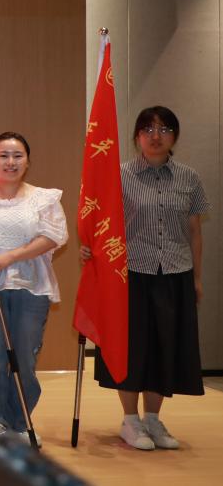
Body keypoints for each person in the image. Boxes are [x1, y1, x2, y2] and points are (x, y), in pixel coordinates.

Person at [90, 106, 210, 451]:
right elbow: (102, 222)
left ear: (175, 136)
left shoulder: (189, 177)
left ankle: (153, 419)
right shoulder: (119, 175)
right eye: (148, 129)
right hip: (131, 275)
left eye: (164, 129)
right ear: (137, 136)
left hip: (175, 272)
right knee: (132, 348)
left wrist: (196, 277)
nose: (156, 136)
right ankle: (130, 420)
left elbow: (194, 231)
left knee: (164, 346)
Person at [0, 132, 67, 446]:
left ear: (27, 161)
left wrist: (9, 257)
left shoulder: (43, 198)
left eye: (17, 156)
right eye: (3, 155)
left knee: (24, 357)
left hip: (31, 286)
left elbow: (53, 237)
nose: (10, 162)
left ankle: (21, 422)